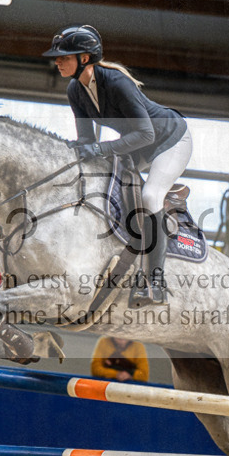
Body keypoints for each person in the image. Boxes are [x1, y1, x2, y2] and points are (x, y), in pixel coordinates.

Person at [43, 25, 193, 308]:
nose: (57, 61)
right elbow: (86, 140)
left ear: (84, 58)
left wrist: (100, 149)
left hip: (170, 139)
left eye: (64, 57)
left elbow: (146, 134)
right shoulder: (75, 90)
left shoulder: (116, 83)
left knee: (150, 196)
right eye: (58, 57)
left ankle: (155, 282)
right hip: (138, 144)